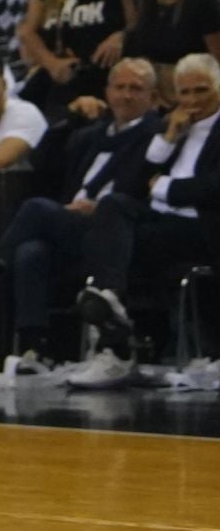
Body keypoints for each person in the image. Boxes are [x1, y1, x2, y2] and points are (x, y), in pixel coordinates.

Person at [0, 60, 160, 371]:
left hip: (115, 233)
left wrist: (100, 206)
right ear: (106, 92)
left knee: (36, 209)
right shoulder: (93, 134)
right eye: (119, 87)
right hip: (75, 227)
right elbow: (42, 162)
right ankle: (33, 350)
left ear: (152, 96)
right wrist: (69, 119)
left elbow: (144, 191)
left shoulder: (155, 136)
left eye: (136, 89)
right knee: (30, 251)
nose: (126, 96)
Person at [67, 53, 220, 387]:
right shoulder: (173, 125)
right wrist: (167, 140)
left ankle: (115, 346)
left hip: (202, 229)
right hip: (162, 224)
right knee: (112, 208)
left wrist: (164, 187)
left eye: (201, 91)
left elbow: (212, 187)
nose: (192, 101)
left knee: (104, 242)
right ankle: (112, 306)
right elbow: (139, 179)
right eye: (184, 92)